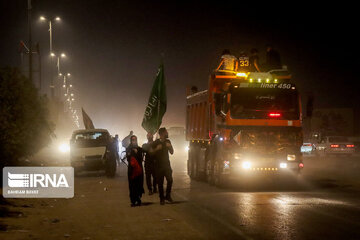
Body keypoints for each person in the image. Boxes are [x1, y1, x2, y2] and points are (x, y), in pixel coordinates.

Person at [150, 127, 174, 205]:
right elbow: (150, 153)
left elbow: (172, 152)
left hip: (167, 165)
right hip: (158, 165)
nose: (167, 133)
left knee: (170, 180)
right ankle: (161, 198)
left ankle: (168, 195)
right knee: (160, 183)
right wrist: (156, 149)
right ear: (162, 134)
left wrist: (169, 146)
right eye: (166, 132)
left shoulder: (168, 141)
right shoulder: (156, 142)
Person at [126, 135, 144, 207]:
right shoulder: (128, 149)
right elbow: (127, 158)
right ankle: (133, 200)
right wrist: (130, 153)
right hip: (132, 170)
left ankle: (138, 199)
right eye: (133, 140)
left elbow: (141, 158)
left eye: (135, 140)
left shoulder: (139, 149)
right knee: (132, 185)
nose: (134, 141)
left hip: (139, 170)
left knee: (139, 184)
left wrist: (137, 152)